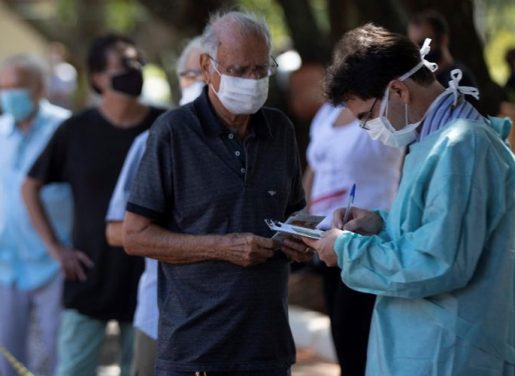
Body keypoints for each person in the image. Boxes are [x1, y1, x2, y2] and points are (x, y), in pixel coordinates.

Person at [302, 24, 515, 375]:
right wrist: (380, 224)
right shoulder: (437, 140)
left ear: (398, 90)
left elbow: (440, 260)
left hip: (451, 353)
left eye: (366, 117)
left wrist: (347, 250)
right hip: (432, 345)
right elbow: (437, 229)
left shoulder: (462, 145)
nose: (368, 129)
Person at [123, 11, 309, 375]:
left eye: (260, 70)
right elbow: (134, 236)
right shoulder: (172, 132)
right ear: (207, 68)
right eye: (240, 70)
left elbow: (293, 215)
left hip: (267, 349)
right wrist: (223, 247)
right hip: (196, 350)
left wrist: (305, 239)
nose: (252, 81)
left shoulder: (280, 130)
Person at [22, 34, 165, 376]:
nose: (135, 71)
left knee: (144, 371)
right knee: (72, 369)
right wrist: (57, 250)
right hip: (87, 274)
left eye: (137, 63)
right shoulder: (75, 130)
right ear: (98, 77)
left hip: (147, 281)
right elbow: (28, 187)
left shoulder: (165, 127)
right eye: (124, 64)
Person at [105, 36, 204, 376]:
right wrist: (206, 245)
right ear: (182, 79)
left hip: (236, 322)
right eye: (198, 71)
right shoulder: (155, 140)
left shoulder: (263, 141)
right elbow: (119, 231)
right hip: (161, 316)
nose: (208, 81)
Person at [0, 54, 71, 376]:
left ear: (39, 88)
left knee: (58, 356)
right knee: (8, 357)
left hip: (53, 261)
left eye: (17, 86)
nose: (9, 94)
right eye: (3, 87)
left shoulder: (66, 128)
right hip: (1, 260)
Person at [304, 102, 404, 376]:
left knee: (357, 339)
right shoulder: (326, 111)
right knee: (343, 338)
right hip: (327, 241)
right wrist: (301, 221)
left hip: (367, 244)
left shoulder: (386, 105)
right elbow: (314, 171)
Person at [407, 10, 478, 89]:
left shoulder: (457, 78)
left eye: (423, 44)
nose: (418, 51)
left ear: (442, 40)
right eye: (413, 46)